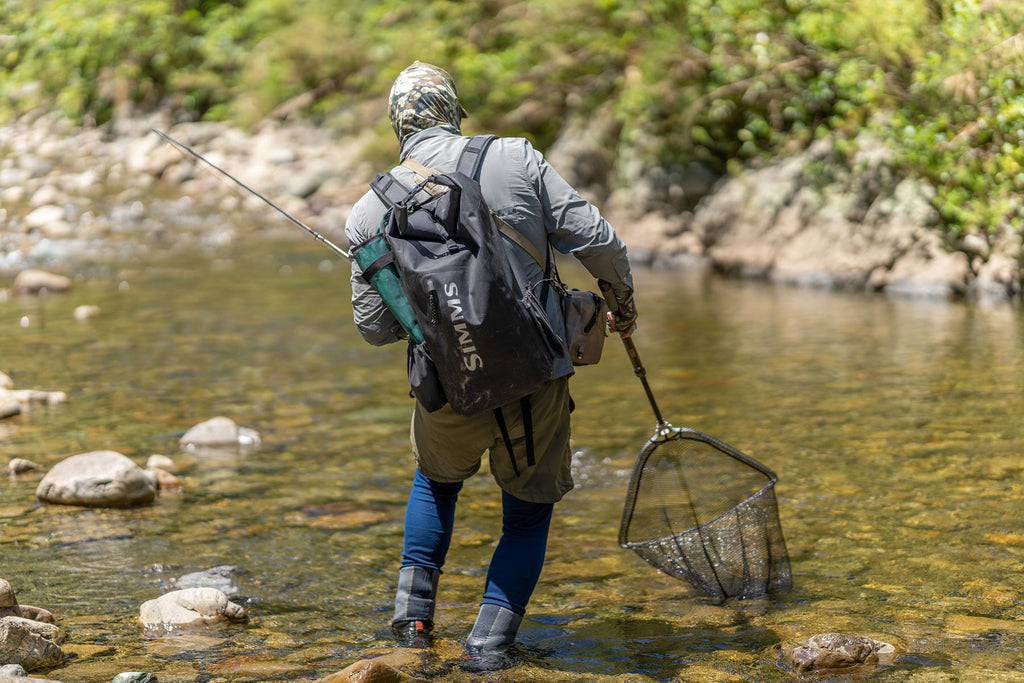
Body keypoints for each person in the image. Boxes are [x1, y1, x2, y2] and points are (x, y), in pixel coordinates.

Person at [344, 61, 636, 667]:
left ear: (398, 127)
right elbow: (599, 240)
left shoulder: (369, 211)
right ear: (454, 112)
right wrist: (621, 305)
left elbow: (373, 330)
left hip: (447, 385)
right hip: (534, 376)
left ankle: (412, 629)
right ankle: (489, 647)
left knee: (436, 484)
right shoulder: (513, 159)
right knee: (526, 517)